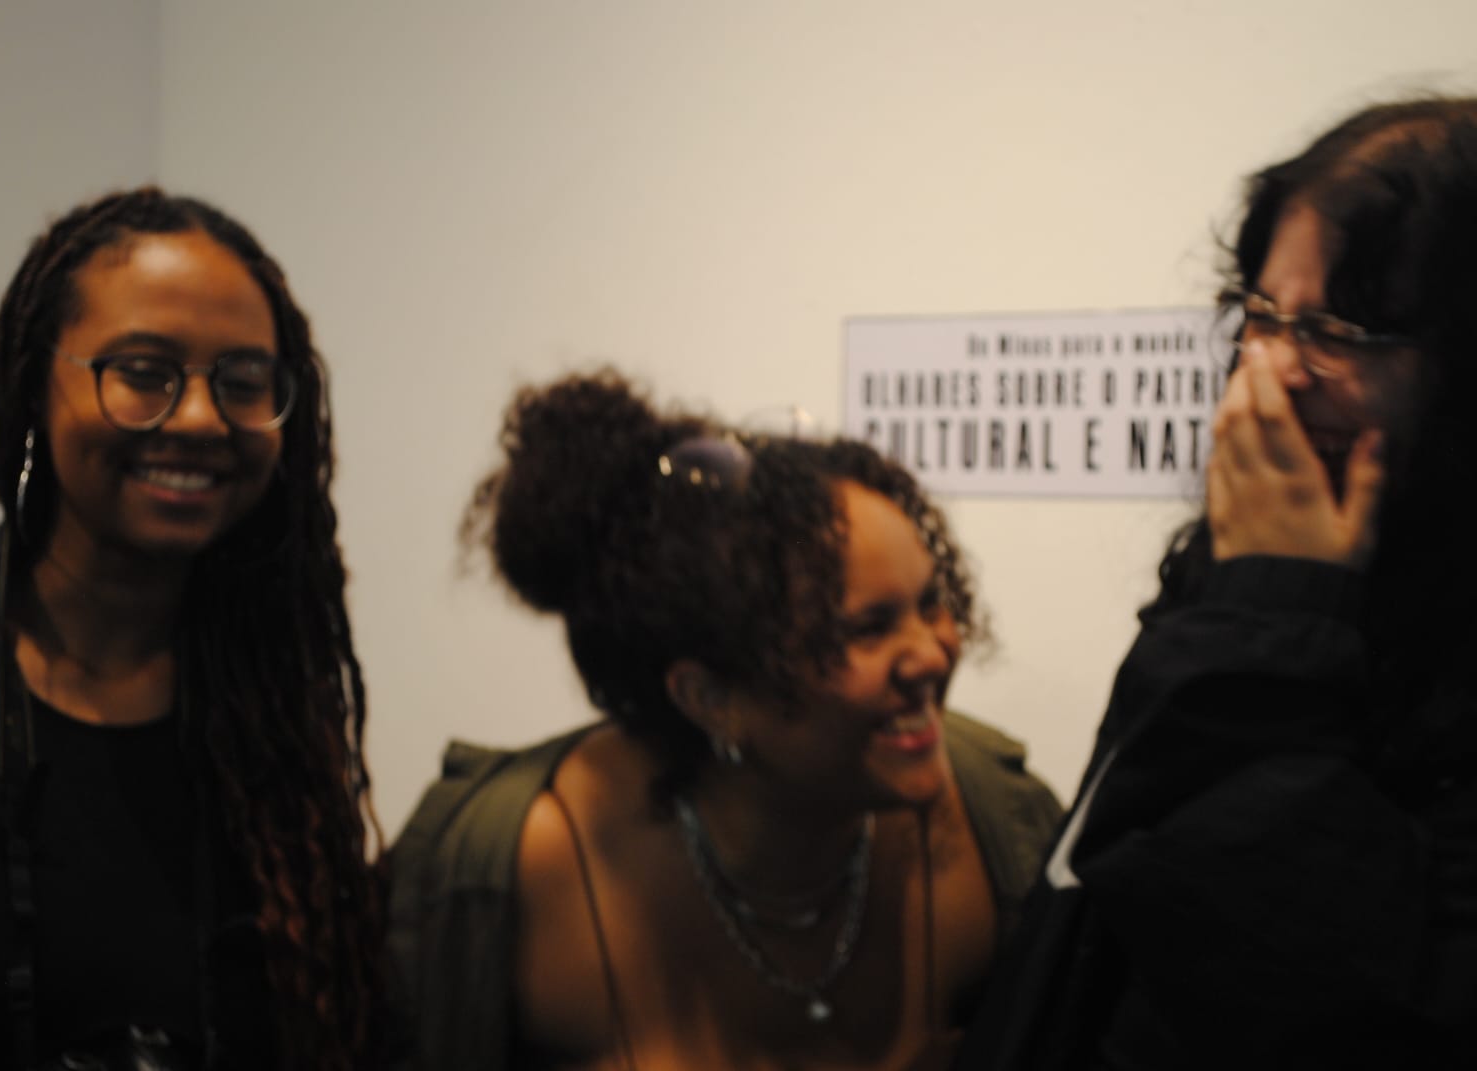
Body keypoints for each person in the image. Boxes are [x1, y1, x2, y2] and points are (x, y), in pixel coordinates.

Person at [957, 97, 1477, 1070]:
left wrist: (1277, 608)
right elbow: (1111, 890)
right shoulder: (1234, 568)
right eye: (1262, 316)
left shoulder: (1278, 588)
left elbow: (1314, 999)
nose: (1271, 370)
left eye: (1337, 328)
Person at [386, 370, 1062, 1070]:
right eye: (867, 628)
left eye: (930, 602)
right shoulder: (509, 875)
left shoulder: (999, 829)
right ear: (710, 698)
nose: (933, 653)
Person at [0, 188, 384, 1069]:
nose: (199, 418)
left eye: (243, 382)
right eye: (145, 372)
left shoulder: (269, 714)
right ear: (37, 385)